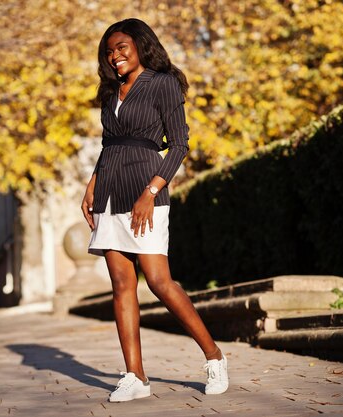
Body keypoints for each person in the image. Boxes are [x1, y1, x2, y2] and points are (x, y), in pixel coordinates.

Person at [81, 18, 229, 403]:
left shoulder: (163, 84)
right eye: (109, 51)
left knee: (160, 282)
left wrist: (151, 191)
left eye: (121, 48)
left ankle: (213, 356)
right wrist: (92, 185)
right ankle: (135, 376)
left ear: (140, 45)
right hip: (109, 190)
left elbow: (179, 145)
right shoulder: (110, 91)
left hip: (146, 191)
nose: (115, 57)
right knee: (121, 285)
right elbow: (108, 143)